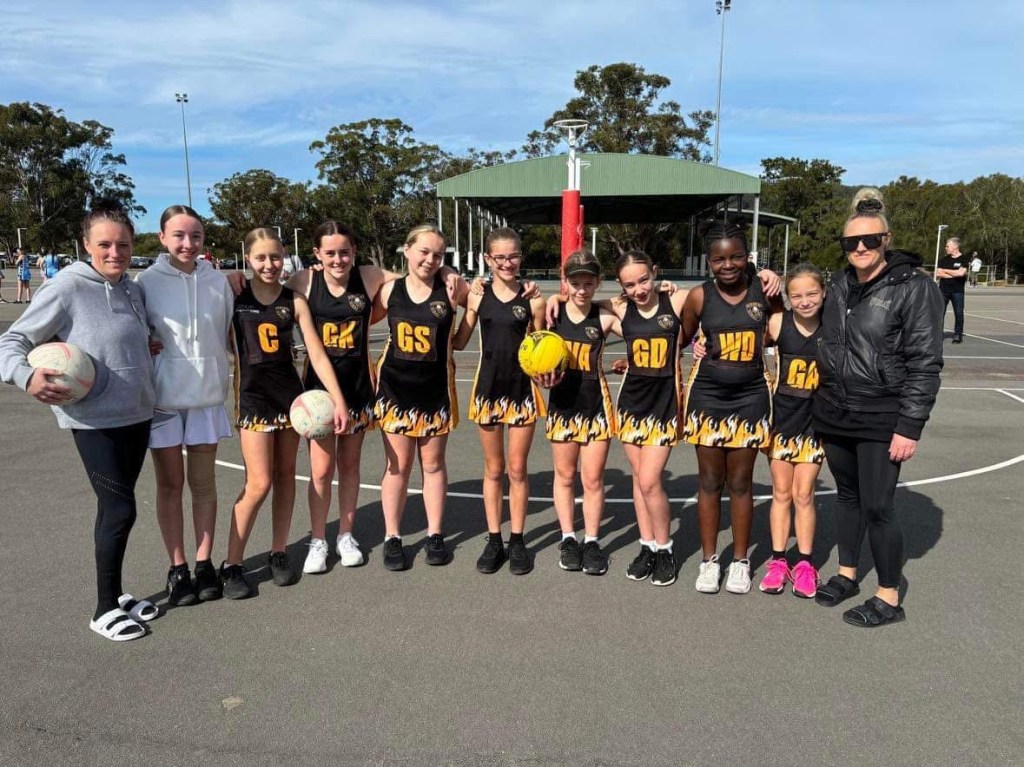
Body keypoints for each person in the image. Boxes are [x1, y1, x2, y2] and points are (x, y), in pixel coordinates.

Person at [0, 201, 156, 641]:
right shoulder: (66, 287)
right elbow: (12, 340)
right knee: (119, 508)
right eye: (104, 244)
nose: (114, 252)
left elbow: (120, 341)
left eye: (122, 244)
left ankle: (118, 594)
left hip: (137, 413)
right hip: (94, 420)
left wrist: (146, 347)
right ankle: (104, 609)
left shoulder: (132, 289)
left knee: (119, 509)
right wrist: (25, 375)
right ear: (86, 244)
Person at [813, 188, 943, 628]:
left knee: (878, 506)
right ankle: (847, 573)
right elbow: (801, 312)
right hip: (834, 411)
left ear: (886, 239)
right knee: (847, 497)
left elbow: (925, 361)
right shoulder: (837, 284)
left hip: (881, 415)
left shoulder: (914, 287)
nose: (860, 248)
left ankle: (889, 595)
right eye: (851, 242)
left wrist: (910, 425)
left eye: (870, 240)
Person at [220, 227, 349, 599]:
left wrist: (337, 399)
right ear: (248, 259)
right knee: (258, 483)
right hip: (253, 401)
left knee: (286, 477)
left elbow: (317, 354)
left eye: (275, 257)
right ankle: (232, 564)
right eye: (260, 257)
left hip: (291, 403)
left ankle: (279, 552)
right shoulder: (234, 297)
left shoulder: (294, 301)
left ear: (284, 258)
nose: (269, 264)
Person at [135, 205, 235, 605]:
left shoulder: (219, 281)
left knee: (204, 485)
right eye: (178, 235)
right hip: (164, 401)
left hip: (206, 396)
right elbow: (133, 331)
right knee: (170, 485)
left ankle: (204, 562)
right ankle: (177, 569)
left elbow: (227, 331)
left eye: (195, 236)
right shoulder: (145, 282)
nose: (188, 243)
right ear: (162, 237)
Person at [679, 222, 784, 595]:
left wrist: (774, 278)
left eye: (736, 256)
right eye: (719, 259)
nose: (728, 265)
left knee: (740, 483)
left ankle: (740, 561)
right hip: (708, 397)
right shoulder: (699, 296)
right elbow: (682, 336)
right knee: (709, 482)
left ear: (747, 257)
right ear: (708, 261)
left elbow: (783, 329)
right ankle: (709, 561)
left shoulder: (763, 290)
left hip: (751, 396)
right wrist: (695, 345)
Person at [293, 221, 396, 574]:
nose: (338, 259)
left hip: (358, 388)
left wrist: (445, 271)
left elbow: (412, 275)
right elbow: (265, 290)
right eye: (330, 253)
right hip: (319, 395)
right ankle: (317, 540)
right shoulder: (304, 281)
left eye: (344, 252)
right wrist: (235, 279)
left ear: (354, 251)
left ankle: (346, 535)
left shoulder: (368, 276)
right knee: (321, 470)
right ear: (317, 254)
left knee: (350, 466)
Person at [374, 224, 471, 571]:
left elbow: (485, 299)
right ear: (407, 250)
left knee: (433, 465)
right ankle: (393, 536)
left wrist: (454, 278)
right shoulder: (389, 290)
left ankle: (435, 534)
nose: (430, 260)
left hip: (435, 393)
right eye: (424, 251)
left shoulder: (451, 288)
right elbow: (354, 317)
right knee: (397, 467)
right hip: (395, 392)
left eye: (438, 255)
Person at [452, 227, 546, 576]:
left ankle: (517, 540)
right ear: (488, 259)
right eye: (500, 257)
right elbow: (460, 341)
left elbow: (542, 347)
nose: (507, 263)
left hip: (522, 391)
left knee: (517, 469)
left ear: (521, 257)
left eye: (513, 256)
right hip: (488, 389)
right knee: (494, 470)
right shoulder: (477, 297)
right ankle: (494, 539)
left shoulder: (534, 299)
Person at [607, 251, 688, 586]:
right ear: (621, 286)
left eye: (643, 280)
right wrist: (556, 299)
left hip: (664, 406)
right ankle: (648, 546)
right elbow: (582, 304)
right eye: (630, 284)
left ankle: (665, 548)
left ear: (655, 271)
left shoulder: (676, 301)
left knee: (650, 480)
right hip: (631, 406)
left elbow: (713, 300)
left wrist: (762, 276)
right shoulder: (619, 307)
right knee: (639, 480)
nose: (638, 289)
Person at [542, 250, 620, 576]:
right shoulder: (551, 316)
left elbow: (644, 328)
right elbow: (530, 352)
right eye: (575, 283)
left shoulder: (605, 318)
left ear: (598, 282)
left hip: (596, 407)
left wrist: (662, 289)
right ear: (565, 281)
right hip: (562, 406)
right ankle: (568, 538)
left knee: (592, 479)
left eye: (589, 283)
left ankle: (591, 540)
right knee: (564, 476)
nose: (582, 289)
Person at [758, 263, 826, 598]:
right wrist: (700, 345)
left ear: (824, 293)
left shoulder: (834, 325)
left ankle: (805, 563)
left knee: (804, 494)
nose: (804, 301)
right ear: (788, 297)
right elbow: (738, 335)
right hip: (782, 421)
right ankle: (778, 560)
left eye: (812, 293)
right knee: (781, 493)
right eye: (796, 295)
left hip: (816, 424)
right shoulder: (777, 322)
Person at [935, 237, 967, 343]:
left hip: (958, 291)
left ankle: (957, 335)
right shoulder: (943, 260)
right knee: (940, 313)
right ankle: (938, 334)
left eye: (948, 246)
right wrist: (954, 273)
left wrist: (945, 271)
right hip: (943, 290)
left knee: (959, 313)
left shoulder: (964, 259)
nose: (946, 248)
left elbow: (961, 273)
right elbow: (939, 273)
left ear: (955, 246)